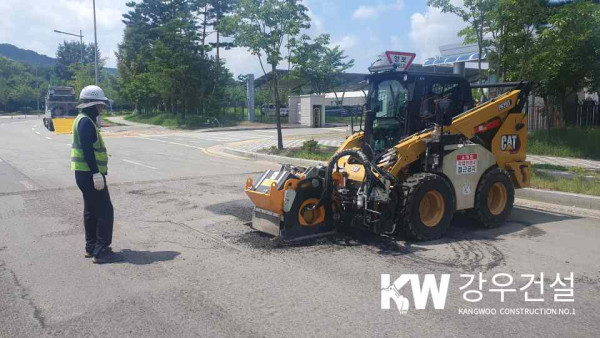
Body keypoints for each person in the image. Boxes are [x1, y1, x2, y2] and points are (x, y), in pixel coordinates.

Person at [71, 85, 121, 264]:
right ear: (93, 104)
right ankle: (101, 251)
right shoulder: (86, 122)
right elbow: (87, 150)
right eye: (100, 105)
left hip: (83, 174)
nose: (101, 109)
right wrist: (96, 173)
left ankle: (91, 247)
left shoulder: (82, 119)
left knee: (91, 210)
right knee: (105, 211)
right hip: (90, 174)